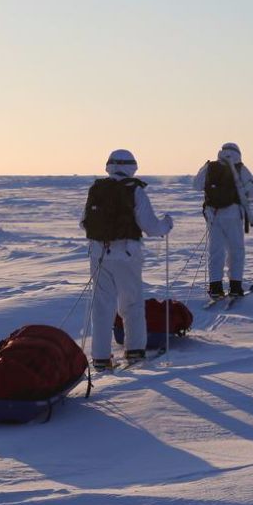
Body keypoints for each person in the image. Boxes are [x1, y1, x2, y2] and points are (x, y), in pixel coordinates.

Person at [81, 149, 173, 371]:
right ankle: (134, 350)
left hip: (99, 254)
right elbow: (150, 226)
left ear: (109, 166)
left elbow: (84, 222)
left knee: (102, 305)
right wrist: (167, 225)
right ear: (132, 166)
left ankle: (101, 357)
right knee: (131, 302)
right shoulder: (135, 191)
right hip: (127, 254)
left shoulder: (97, 189)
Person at [193, 142, 253, 298]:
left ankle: (215, 287)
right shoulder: (240, 168)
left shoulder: (210, 167)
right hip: (233, 214)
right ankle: (235, 286)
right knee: (236, 250)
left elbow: (196, 185)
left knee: (216, 251)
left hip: (213, 215)